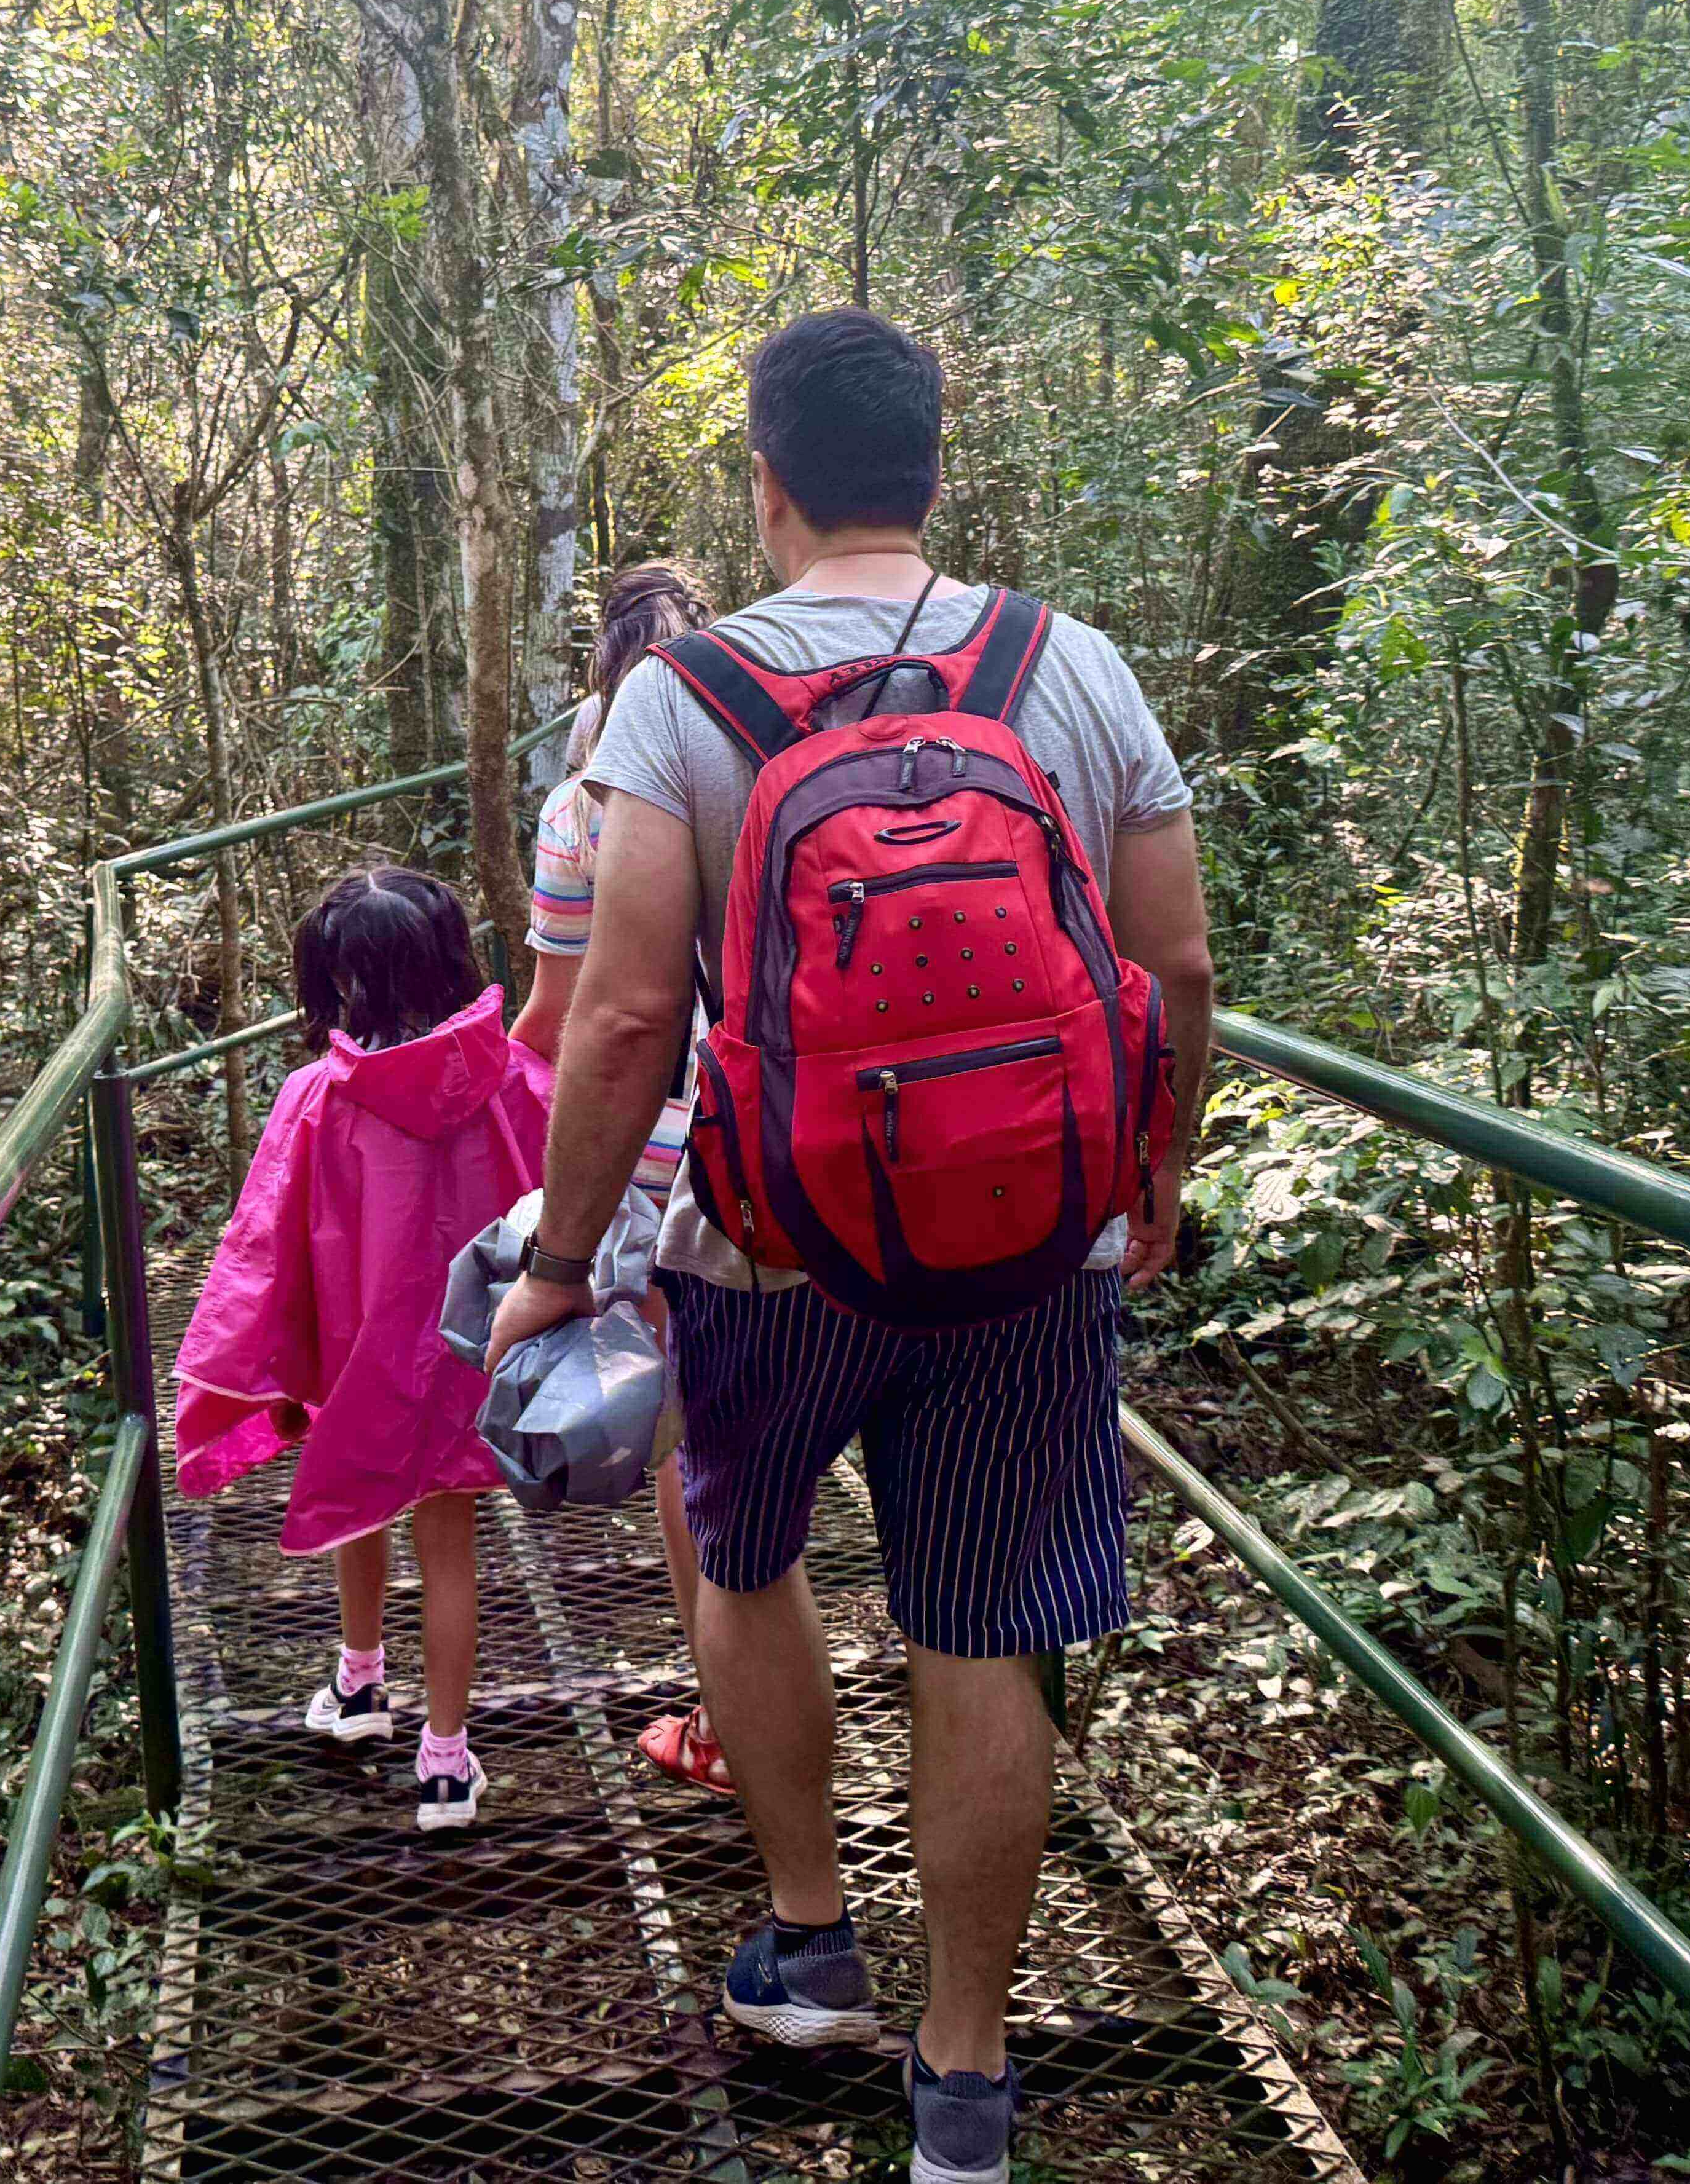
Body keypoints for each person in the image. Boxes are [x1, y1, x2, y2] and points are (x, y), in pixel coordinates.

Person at [486, 310, 1215, 2184]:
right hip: (1034, 1253)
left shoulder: (684, 696)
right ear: (934, 469)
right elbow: (1175, 966)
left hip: (767, 1244)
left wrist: (567, 1261)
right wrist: (1155, 1174)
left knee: (744, 1551)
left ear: (770, 483)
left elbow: (629, 1016)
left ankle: (810, 1941)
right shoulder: (1073, 667)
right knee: (987, 1623)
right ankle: (962, 2082)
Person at [173, 864, 552, 1832]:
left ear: (340, 978)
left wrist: (260, 1360)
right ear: (451, 958)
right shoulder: (512, 1075)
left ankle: (358, 1686)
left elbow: (268, 1242)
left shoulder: (316, 1096)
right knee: (452, 1549)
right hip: (472, 1357)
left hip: (356, 1358)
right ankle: (446, 1765)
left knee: (361, 1499)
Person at [511, 561, 727, 1794]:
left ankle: (726, 1712)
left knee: (691, 1455)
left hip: (658, 1170)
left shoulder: (583, 804)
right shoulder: (761, 741)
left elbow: (561, 1016)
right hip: (784, 1138)